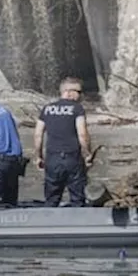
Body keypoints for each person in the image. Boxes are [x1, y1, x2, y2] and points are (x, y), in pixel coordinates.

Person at [33, 76, 93, 207]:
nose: (80, 96)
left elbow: (38, 135)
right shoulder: (77, 108)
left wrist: (38, 156)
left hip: (52, 158)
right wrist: (88, 154)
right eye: (79, 92)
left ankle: (50, 223)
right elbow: (82, 134)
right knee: (77, 198)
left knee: (51, 198)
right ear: (69, 91)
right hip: (72, 157)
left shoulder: (47, 109)